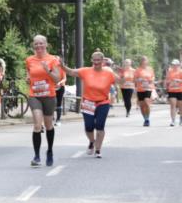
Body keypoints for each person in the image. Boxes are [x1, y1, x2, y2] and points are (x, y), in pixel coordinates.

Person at [62, 51, 121, 158]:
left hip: (102, 103)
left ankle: (98, 149)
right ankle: (92, 142)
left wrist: (122, 73)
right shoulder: (85, 71)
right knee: (89, 127)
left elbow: (121, 81)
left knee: (100, 126)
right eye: (94, 60)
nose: (96, 62)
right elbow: (70, 72)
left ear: (102, 61)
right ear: (91, 60)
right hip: (88, 102)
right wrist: (61, 65)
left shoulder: (108, 73)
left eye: (99, 60)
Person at [24, 35, 64, 167]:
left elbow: (57, 79)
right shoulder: (29, 60)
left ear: (46, 45)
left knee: (48, 126)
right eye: (36, 44)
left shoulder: (53, 60)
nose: (38, 46)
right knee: (37, 124)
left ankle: (50, 151)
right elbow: (29, 74)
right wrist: (28, 79)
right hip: (34, 95)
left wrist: (48, 71)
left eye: (41, 43)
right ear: (33, 46)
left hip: (49, 96)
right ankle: (36, 156)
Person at [134, 56, 156, 127]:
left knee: (147, 102)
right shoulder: (138, 70)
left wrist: (151, 80)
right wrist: (139, 80)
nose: (144, 61)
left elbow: (153, 77)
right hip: (140, 89)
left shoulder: (150, 69)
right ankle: (145, 119)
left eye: (145, 60)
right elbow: (134, 79)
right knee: (142, 106)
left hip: (148, 88)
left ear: (147, 61)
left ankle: (147, 119)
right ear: (141, 61)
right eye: (142, 60)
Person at [165, 59, 182, 127]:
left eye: (175, 64)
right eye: (173, 64)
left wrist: (178, 80)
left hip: (180, 90)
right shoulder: (169, 71)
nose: (174, 66)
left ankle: (181, 118)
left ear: (178, 65)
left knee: (180, 106)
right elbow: (167, 80)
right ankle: (173, 121)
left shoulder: (181, 71)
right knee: (173, 105)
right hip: (171, 90)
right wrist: (168, 83)